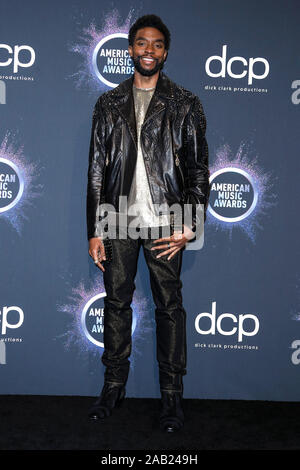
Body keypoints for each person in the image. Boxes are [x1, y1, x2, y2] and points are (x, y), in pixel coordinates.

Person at [86, 14, 210, 433]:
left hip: (167, 222)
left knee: (169, 308)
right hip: (117, 218)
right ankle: (113, 386)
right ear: (130, 49)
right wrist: (94, 229)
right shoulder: (108, 103)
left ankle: (172, 398)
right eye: (142, 43)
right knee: (116, 304)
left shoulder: (185, 103)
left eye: (157, 45)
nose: (149, 51)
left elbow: (198, 171)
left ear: (166, 52)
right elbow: (97, 173)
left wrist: (190, 224)